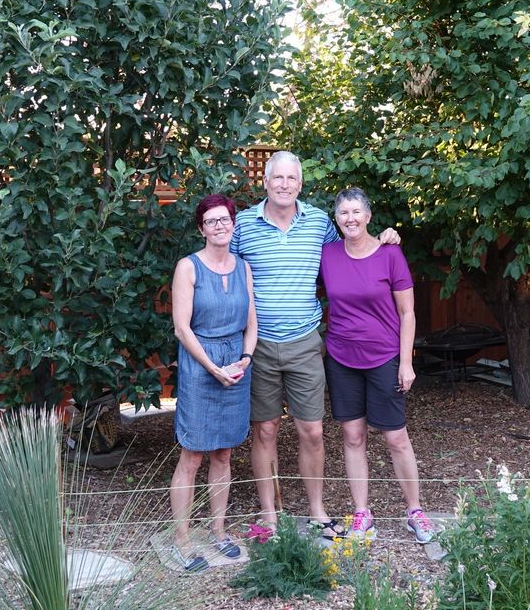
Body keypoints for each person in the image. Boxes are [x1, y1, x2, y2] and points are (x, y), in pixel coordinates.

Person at [230, 151, 398, 538]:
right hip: (258, 344)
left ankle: (318, 512)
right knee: (266, 430)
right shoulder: (243, 226)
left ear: (300, 184)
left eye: (292, 178)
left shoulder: (320, 223)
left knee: (313, 432)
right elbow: (225, 269)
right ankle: (269, 515)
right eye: (278, 178)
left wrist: (386, 238)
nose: (284, 184)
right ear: (265, 182)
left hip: (305, 342)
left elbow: (354, 251)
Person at [319, 187, 435, 544]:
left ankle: (415, 510)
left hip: (384, 357)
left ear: (368, 216)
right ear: (336, 219)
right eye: (343, 213)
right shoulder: (327, 255)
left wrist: (406, 362)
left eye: (356, 212)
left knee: (396, 437)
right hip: (341, 358)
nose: (350, 218)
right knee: (352, 437)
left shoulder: (390, 254)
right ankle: (362, 513)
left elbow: (407, 312)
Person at [169, 194, 257, 572]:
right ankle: (182, 540)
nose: (220, 226)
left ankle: (219, 531)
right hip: (199, 367)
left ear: (233, 224)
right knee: (192, 455)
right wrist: (212, 367)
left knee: (224, 453)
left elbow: (252, 323)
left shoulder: (243, 268)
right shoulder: (188, 268)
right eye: (211, 221)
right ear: (201, 229)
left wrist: (245, 358)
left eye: (225, 219)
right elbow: (181, 328)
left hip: (236, 366)